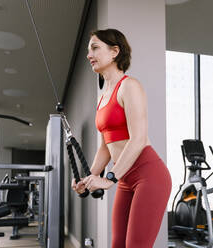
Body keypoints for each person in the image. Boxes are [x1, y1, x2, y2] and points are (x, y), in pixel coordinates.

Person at [71, 28, 172, 248]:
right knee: (117, 244)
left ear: (115, 51)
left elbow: (138, 139)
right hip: (125, 177)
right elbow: (105, 148)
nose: (89, 55)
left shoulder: (129, 86)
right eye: (89, 50)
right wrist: (88, 178)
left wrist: (109, 179)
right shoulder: (102, 96)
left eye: (95, 48)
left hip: (149, 175)